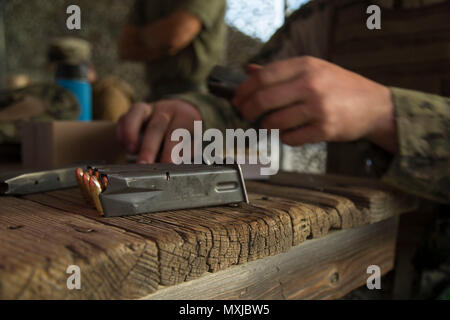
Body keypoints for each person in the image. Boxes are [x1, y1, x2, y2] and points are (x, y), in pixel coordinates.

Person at [116, 0, 450, 204]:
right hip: (353, 251)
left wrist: (384, 113)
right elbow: (248, 96)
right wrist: (195, 111)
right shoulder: (324, 17)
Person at [118, 0, 226, 101]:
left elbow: (175, 35)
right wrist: (163, 43)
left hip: (198, 95)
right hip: (157, 93)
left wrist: (140, 36)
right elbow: (125, 49)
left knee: (195, 120)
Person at [48, 37, 135, 122]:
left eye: (69, 71)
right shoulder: (59, 96)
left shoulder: (110, 96)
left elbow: (111, 134)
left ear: (88, 68)